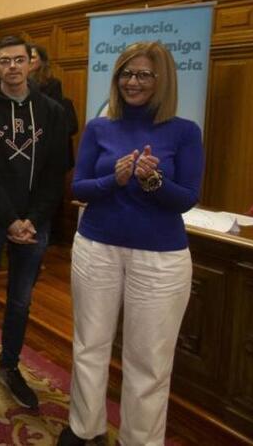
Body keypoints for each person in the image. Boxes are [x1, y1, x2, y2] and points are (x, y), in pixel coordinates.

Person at [58, 41, 203, 446]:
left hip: (160, 259)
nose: (132, 82)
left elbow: (188, 197)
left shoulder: (184, 132)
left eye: (142, 74)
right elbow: (79, 186)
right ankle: (85, 429)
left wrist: (153, 181)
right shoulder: (99, 127)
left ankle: (139, 440)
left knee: (149, 361)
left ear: (163, 80)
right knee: (90, 346)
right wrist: (115, 180)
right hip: (96, 248)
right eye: (125, 73)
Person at [0, 36, 67, 410]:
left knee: (21, 301)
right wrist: (9, 219)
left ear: (31, 63)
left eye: (20, 60)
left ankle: (10, 366)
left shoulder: (52, 111)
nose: (13, 67)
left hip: (35, 224)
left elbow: (56, 172)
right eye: (5, 61)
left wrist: (31, 220)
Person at [29, 43, 79, 170]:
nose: (28, 60)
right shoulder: (14, 84)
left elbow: (53, 117)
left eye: (33, 57)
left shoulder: (52, 84)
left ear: (42, 61)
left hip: (48, 152)